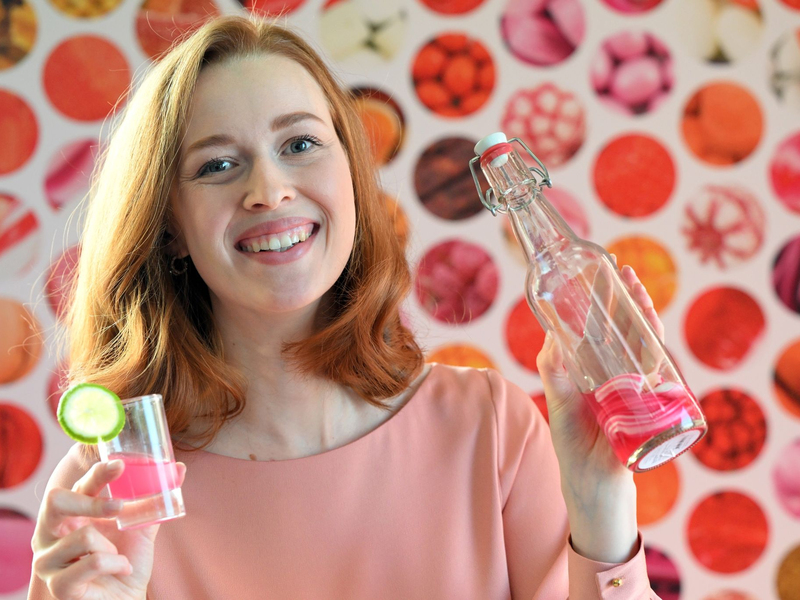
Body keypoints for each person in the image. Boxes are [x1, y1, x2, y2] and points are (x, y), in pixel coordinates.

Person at [28, 14, 663, 600]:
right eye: (219, 164)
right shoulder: (118, 483)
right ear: (170, 228)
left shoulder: (490, 428)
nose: (269, 190)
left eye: (300, 145)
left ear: (351, 180)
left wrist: (600, 497)